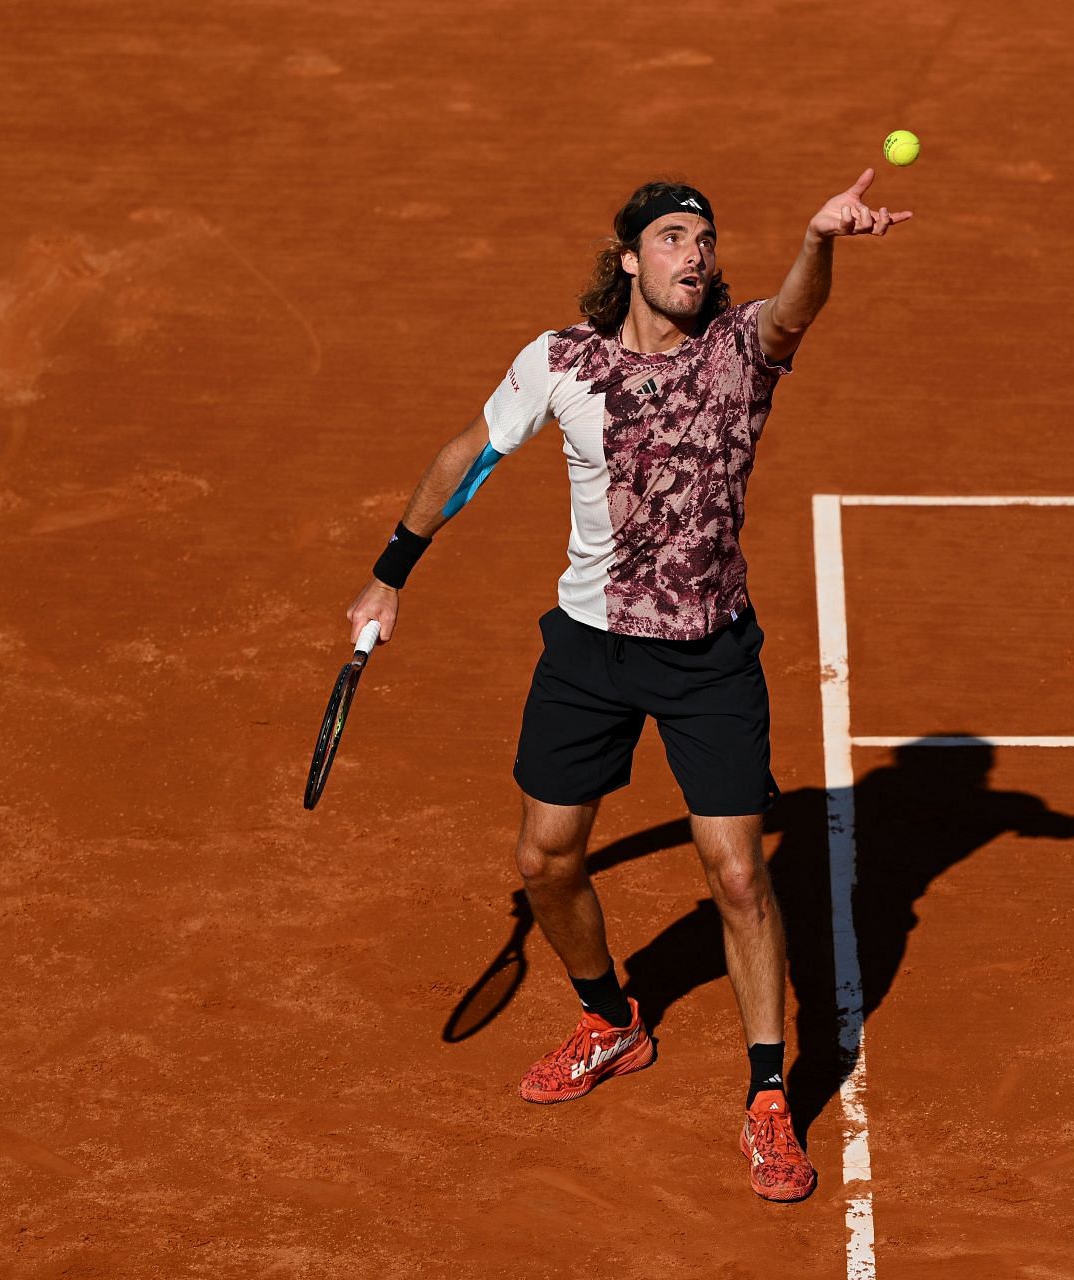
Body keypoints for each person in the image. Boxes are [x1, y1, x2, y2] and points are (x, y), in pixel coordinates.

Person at [344, 172, 912, 1204]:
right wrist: (390, 572)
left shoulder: (740, 351)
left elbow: (796, 307)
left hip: (709, 654)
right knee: (544, 858)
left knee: (739, 877)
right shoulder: (562, 360)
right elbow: (468, 454)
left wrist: (820, 239)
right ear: (628, 258)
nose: (693, 254)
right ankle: (612, 1019)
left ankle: (768, 1095)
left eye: (704, 239)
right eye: (671, 237)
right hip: (590, 652)